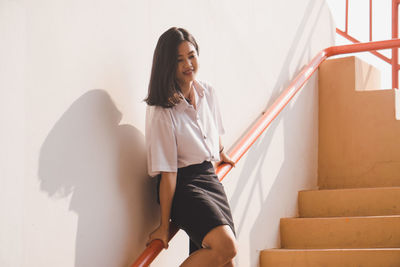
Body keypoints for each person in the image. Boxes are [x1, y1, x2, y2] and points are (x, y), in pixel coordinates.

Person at [144, 27, 237, 267]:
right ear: (167, 65)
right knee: (226, 247)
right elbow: (168, 172)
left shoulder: (207, 91)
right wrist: (164, 227)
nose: (188, 63)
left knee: (227, 261)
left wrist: (221, 152)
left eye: (192, 55)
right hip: (183, 186)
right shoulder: (162, 110)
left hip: (209, 178)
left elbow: (211, 130)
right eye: (179, 59)